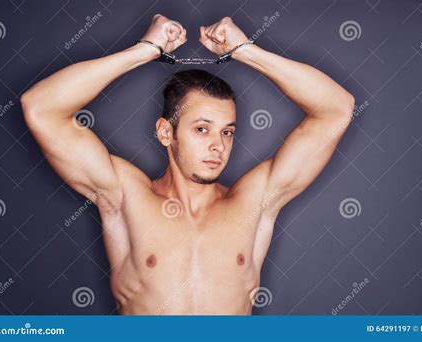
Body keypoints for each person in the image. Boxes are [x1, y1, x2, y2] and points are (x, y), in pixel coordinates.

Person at [20, 14, 355, 315]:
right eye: (201, 129)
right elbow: (41, 107)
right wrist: (145, 50)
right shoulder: (125, 196)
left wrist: (245, 51)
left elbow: (337, 108)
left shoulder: (255, 201)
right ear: (166, 132)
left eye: (227, 132)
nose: (217, 145)